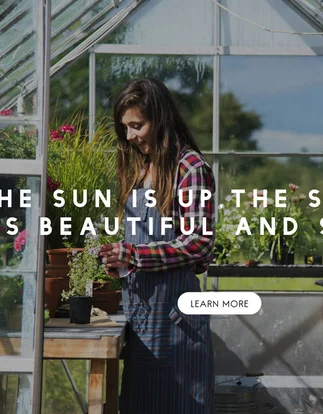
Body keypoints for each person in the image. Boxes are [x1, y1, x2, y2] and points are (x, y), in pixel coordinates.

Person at [98, 78, 216, 414]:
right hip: (139, 316)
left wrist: (133, 255)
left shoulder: (189, 168)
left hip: (175, 322)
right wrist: (117, 257)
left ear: (160, 119)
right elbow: (144, 238)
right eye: (126, 128)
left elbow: (198, 244)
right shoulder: (140, 168)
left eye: (138, 125)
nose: (131, 136)